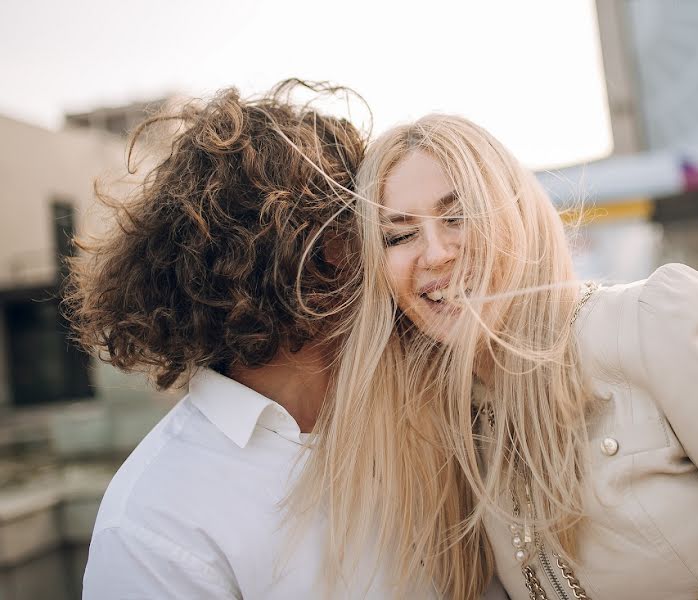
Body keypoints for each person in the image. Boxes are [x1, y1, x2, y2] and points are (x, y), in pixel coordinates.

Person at [320, 113, 698, 599]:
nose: (437, 253)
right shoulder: (452, 428)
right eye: (399, 235)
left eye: (458, 215)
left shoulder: (656, 322)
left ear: (516, 215)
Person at [67, 80, 441, 598]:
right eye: (376, 227)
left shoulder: (432, 407)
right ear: (316, 251)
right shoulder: (155, 523)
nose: (395, 250)